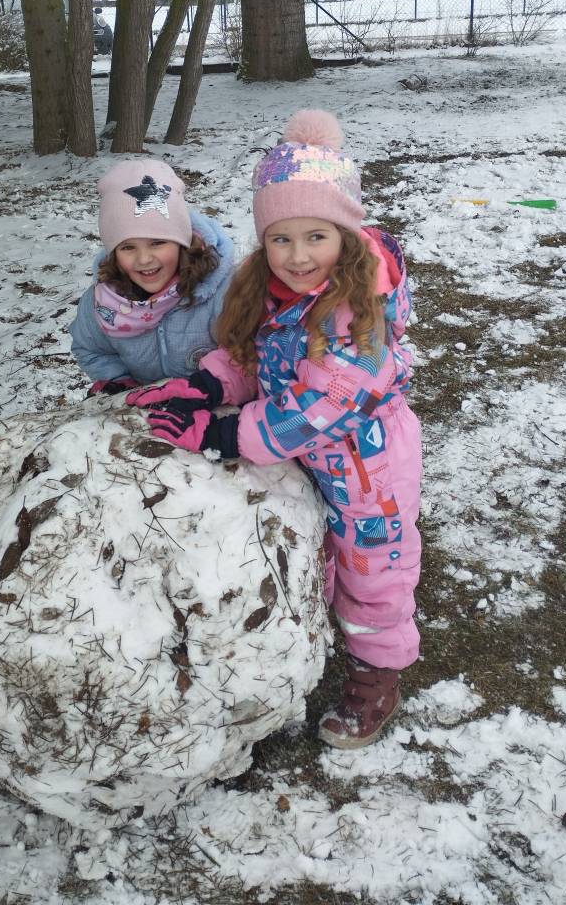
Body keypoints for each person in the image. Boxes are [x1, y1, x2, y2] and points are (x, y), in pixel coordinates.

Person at [128, 111, 421, 750]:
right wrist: (208, 386)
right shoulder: (278, 290)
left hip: (367, 470)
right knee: (318, 554)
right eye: (280, 239)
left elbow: (320, 407)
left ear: (346, 236)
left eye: (316, 236)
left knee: (373, 570)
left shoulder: (360, 317)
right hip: (307, 461)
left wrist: (221, 436)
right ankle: (317, 628)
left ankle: (377, 673)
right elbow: (256, 358)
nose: (297, 255)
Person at [69, 159, 233, 394]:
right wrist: (121, 385)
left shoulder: (222, 290)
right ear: (114, 253)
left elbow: (243, 351)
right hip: (143, 403)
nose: (144, 259)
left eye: (157, 243)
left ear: (182, 243)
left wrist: (209, 388)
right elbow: (91, 349)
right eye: (128, 247)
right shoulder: (103, 303)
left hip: (215, 397)